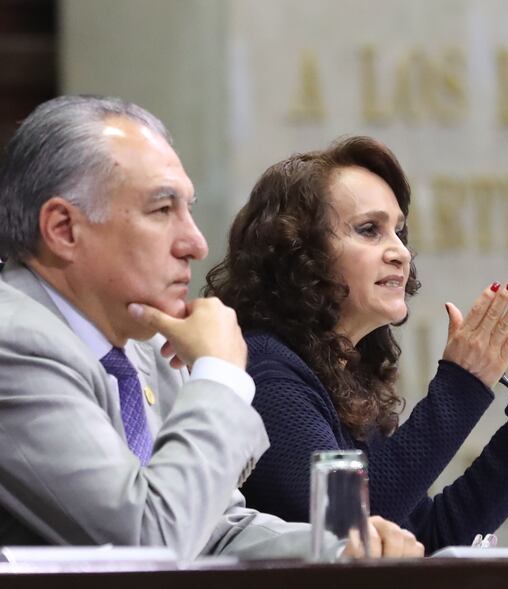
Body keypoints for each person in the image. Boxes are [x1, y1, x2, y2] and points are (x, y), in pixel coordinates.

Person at [0, 96, 422, 560]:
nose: (196, 243)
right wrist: (220, 376)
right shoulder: (14, 345)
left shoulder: (148, 346)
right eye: (163, 210)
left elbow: (213, 530)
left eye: (188, 209)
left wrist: (341, 550)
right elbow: (147, 543)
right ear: (63, 229)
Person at [205, 137, 508, 552]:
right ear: (297, 250)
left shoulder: (339, 377)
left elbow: (430, 536)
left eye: (399, 231)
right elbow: (352, 528)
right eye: (369, 230)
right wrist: (462, 385)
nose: (401, 253)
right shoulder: (264, 372)